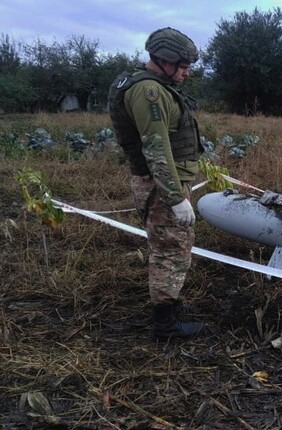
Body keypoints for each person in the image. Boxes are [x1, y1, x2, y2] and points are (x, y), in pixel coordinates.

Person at [107, 27, 204, 339]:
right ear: (165, 61)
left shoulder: (154, 86)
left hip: (163, 184)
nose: (186, 73)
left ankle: (170, 304)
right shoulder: (149, 92)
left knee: (175, 247)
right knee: (169, 251)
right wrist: (175, 197)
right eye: (184, 67)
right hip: (161, 186)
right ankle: (164, 325)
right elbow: (156, 149)